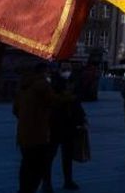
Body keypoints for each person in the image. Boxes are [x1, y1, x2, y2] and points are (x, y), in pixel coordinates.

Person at [43, 62, 86, 191]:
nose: (67, 71)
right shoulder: (53, 82)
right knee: (50, 155)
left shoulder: (74, 82)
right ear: (59, 69)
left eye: (68, 68)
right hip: (55, 124)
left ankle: (68, 180)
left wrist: (81, 120)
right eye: (64, 68)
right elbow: (51, 102)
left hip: (70, 124)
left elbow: (77, 103)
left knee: (67, 155)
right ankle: (47, 183)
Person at [13, 63, 54, 193]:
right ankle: (31, 189)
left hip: (23, 133)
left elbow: (15, 109)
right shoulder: (43, 85)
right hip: (39, 133)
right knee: (38, 165)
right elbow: (53, 102)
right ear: (43, 72)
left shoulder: (23, 86)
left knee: (26, 164)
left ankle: (23, 189)